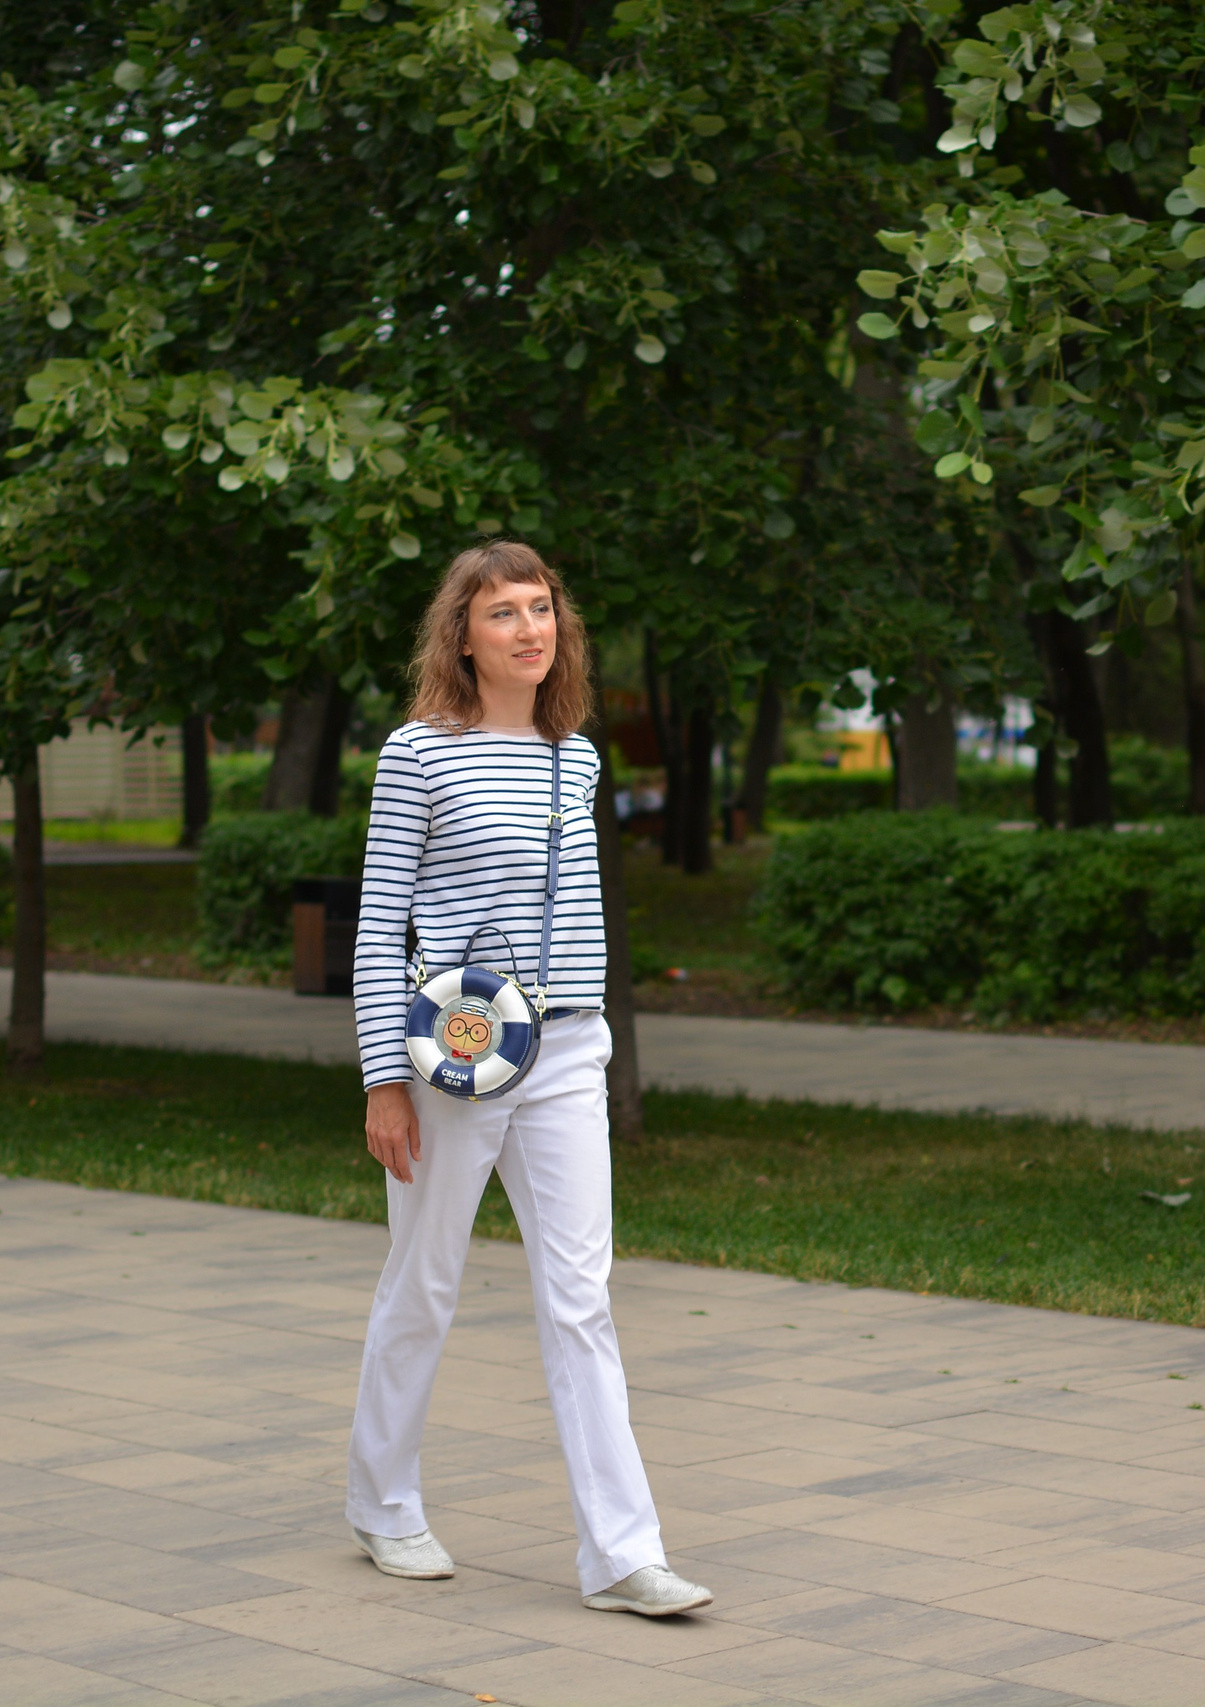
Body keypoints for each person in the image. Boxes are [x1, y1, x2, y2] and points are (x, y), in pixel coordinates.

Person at [344, 540, 712, 1618]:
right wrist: (381, 1081)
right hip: (456, 1060)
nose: (528, 629)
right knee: (425, 1281)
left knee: (582, 1302)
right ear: (462, 635)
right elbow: (379, 929)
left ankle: (621, 1554)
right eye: (501, 613)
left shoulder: (575, 756)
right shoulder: (418, 752)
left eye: (540, 608)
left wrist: (583, 1036)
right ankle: (384, 1505)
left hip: (569, 1051)